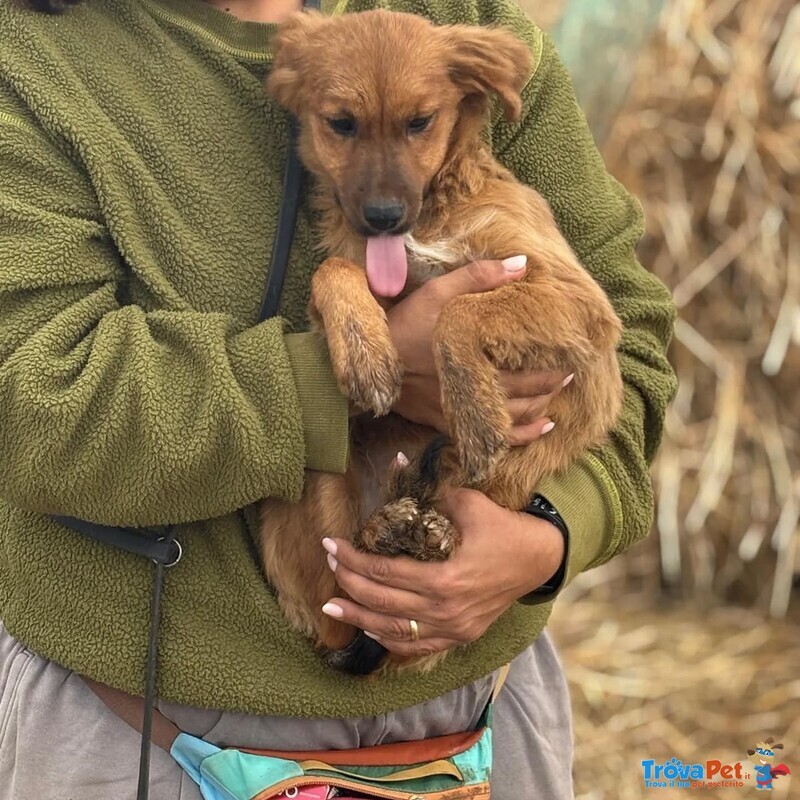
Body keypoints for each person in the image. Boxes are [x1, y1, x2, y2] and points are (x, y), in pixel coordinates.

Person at [0, 0, 677, 796]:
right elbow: (33, 409)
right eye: (342, 125)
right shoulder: (35, 61)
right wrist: (338, 382)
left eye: (418, 126)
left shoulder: (459, 25)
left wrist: (550, 537)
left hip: (481, 715)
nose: (383, 182)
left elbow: (626, 336)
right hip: (149, 726)